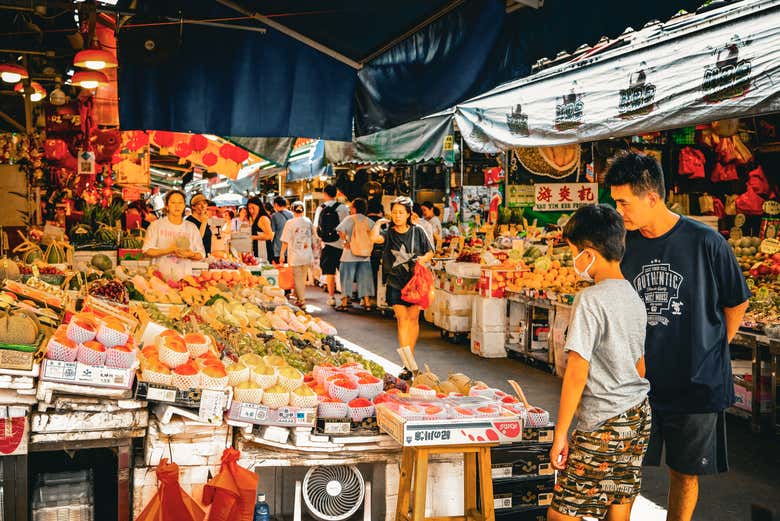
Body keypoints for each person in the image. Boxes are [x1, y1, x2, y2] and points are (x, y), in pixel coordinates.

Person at [605, 153, 750, 521]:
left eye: (624, 202)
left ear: (651, 198)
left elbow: (737, 302)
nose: (619, 210)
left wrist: (711, 347)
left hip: (695, 383)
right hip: (635, 383)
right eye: (615, 202)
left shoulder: (707, 242)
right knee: (624, 469)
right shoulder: (624, 246)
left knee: (685, 473)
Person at [548, 204, 651, 521]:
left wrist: (561, 434)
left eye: (574, 252)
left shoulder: (589, 299)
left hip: (602, 422)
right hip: (638, 418)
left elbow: (578, 372)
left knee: (562, 513)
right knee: (618, 504)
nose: (573, 261)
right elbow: (640, 366)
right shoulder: (633, 296)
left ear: (589, 253)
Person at [370, 196, 434, 353]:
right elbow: (373, 238)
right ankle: (407, 360)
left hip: (414, 283)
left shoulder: (418, 231)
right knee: (402, 320)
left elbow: (431, 252)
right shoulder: (388, 233)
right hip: (395, 282)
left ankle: (409, 356)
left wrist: (423, 259)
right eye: (394, 212)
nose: (397, 215)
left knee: (413, 320)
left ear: (408, 214)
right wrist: (379, 222)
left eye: (400, 212)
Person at [142, 190, 205, 280]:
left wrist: (190, 254)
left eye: (180, 202)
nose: (177, 206)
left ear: (184, 205)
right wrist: (168, 250)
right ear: (167, 206)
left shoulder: (191, 228)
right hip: (159, 279)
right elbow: (147, 251)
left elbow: (201, 254)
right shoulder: (156, 225)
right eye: (173, 202)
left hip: (184, 279)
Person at [335, 198, 375, 311]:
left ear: (354, 208)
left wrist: (346, 242)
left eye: (351, 207)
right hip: (365, 256)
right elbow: (375, 234)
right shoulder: (368, 221)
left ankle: (344, 303)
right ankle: (367, 303)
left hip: (349, 254)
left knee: (346, 278)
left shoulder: (349, 219)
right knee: (365, 279)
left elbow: (340, 231)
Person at [314, 185, 350, 306]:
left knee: (330, 273)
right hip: (341, 245)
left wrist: (321, 239)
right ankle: (345, 298)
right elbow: (347, 227)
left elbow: (316, 227)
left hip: (327, 244)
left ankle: (331, 297)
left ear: (325, 194)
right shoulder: (344, 208)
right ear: (336, 193)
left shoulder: (321, 208)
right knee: (343, 272)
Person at [280, 200, 316, 308]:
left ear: (292, 210)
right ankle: (299, 298)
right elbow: (314, 236)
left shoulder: (290, 223)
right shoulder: (308, 221)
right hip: (307, 254)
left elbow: (285, 240)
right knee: (302, 278)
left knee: (297, 278)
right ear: (303, 210)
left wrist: (282, 254)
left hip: (295, 255)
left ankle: (302, 300)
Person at [366, 200, 386, 299]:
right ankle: (377, 296)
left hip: (364, 251)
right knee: (377, 273)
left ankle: (365, 298)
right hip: (379, 251)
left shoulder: (364, 220)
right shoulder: (383, 221)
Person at [247, 197, 274, 261]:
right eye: (249, 208)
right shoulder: (252, 218)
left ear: (259, 206)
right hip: (256, 250)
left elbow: (270, 236)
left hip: (264, 251)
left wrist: (254, 237)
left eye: (253, 208)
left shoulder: (263, 218)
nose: (251, 210)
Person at [270, 196, 294, 263]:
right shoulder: (292, 215)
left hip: (278, 249)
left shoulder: (274, 216)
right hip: (290, 248)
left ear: (276, 205)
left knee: (279, 270)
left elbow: (272, 234)